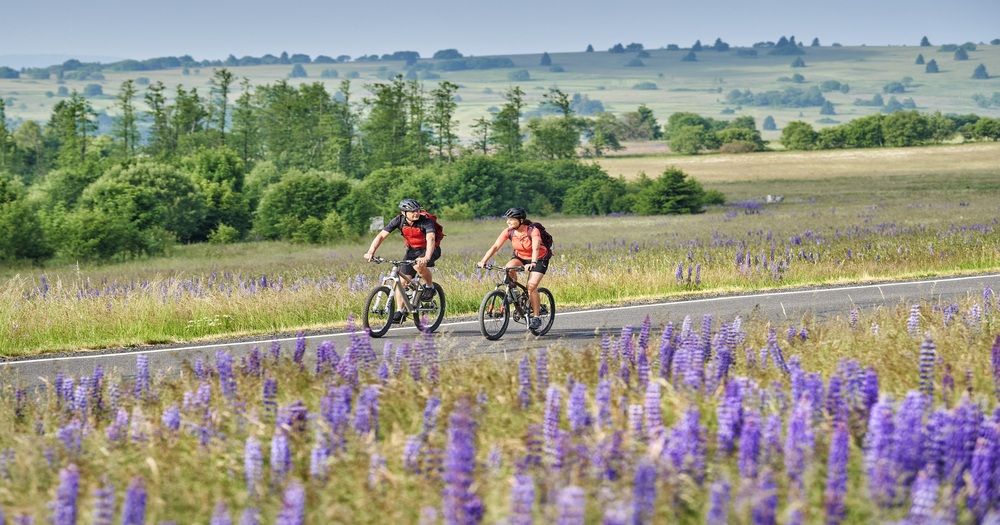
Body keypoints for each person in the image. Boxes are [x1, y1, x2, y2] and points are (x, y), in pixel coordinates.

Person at [364, 198, 441, 323]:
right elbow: (381, 235)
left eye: (417, 211)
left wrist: (426, 257)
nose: (416, 213)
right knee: (401, 282)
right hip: (412, 251)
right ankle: (400, 311)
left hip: (430, 249)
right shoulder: (398, 220)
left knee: (418, 266)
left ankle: (430, 286)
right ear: (404, 213)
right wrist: (371, 252)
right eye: (412, 211)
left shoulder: (426, 221)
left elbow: (431, 239)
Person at [476, 207, 550, 330]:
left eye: (511, 219)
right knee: (508, 268)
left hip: (539, 258)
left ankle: (536, 317)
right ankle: (517, 296)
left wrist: (533, 262)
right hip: (520, 256)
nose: (508, 222)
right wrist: (484, 261)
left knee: (531, 286)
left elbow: (536, 248)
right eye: (507, 220)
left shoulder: (533, 231)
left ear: (521, 220)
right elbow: (495, 246)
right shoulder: (509, 231)